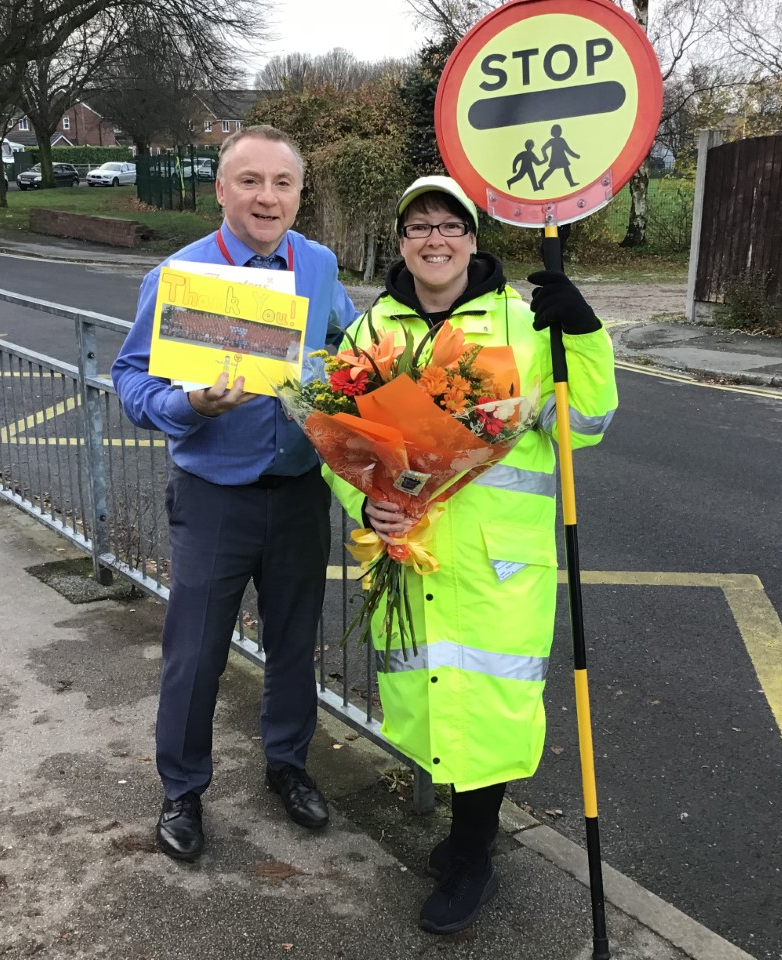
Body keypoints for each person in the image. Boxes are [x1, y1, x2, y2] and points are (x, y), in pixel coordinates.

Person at [325, 176, 618, 934]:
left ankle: (474, 856)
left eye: (450, 226)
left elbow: (585, 423)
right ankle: (462, 843)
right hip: (411, 552)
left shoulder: (522, 323)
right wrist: (366, 500)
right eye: (418, 226)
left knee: (485, 706)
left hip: (496, 561)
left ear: (473, 240)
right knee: (427, 699)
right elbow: (340, 442)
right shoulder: (371, 332)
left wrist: (582, 335)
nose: (435, 239)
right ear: (400, 243)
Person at [112, 125, 357, 862]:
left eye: (282, 184)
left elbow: (354, 350)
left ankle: (287, 766)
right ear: (221, 190)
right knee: (195, 654)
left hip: (297, 492)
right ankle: (182, 788)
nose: (266, 197)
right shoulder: (178, 275)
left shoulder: (317, 265)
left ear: (298, 194)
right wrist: (189, 405)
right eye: (249, 181)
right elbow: (130, 379)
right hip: (214, 496)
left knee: (292, 645)